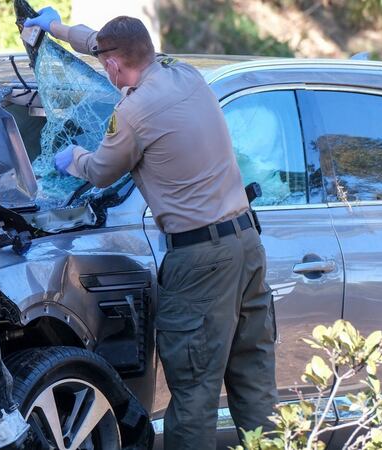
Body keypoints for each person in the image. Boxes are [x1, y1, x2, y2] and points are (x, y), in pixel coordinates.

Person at [24, 7, 278, 449]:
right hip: (246, 247)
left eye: (106, 64)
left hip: (200, 263)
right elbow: (101, 44)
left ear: (114, 66)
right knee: (254, 387)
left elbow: (102, 172)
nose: (105, 68)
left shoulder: (135, 113)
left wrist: (72, 158)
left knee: (195, 395)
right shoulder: (186, 75)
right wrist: (57, 29)